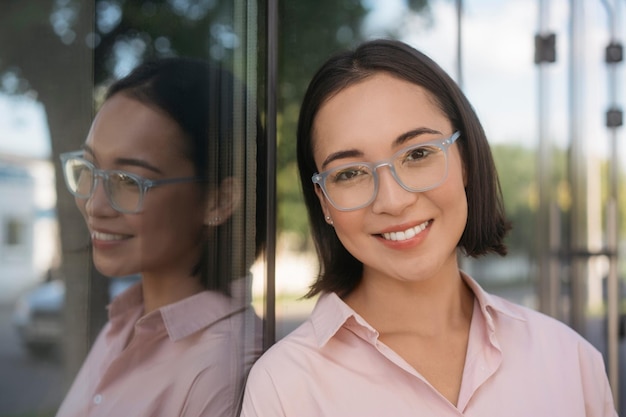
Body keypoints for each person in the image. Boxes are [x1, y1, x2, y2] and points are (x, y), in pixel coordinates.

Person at [240, 39, 617, 416]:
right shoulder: (284, 388)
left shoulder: (569, 360)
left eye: (418, 154)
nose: (392, 200)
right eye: (350, 173)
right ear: (324, 201)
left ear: (465, 160)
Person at [55, 57, 263, 417]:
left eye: (127, 181)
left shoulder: (224, 369)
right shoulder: (127, 322)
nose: (95, 204)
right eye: (88, 168)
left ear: (220, 200)